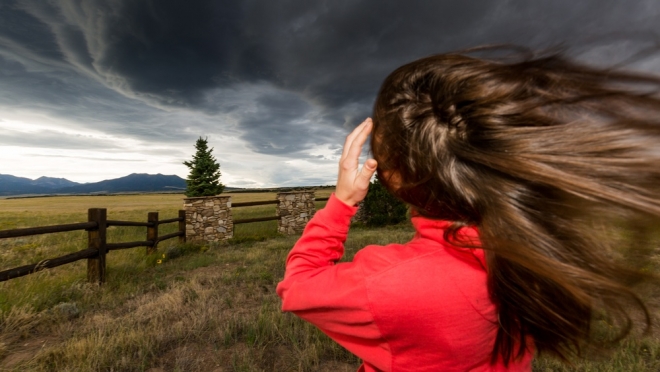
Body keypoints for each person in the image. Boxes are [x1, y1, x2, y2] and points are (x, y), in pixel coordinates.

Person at [276, 49, 660, 371]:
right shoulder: (532, 248)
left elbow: (297, 287)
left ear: (391, 176)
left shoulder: (390, 286)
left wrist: (341, 203)